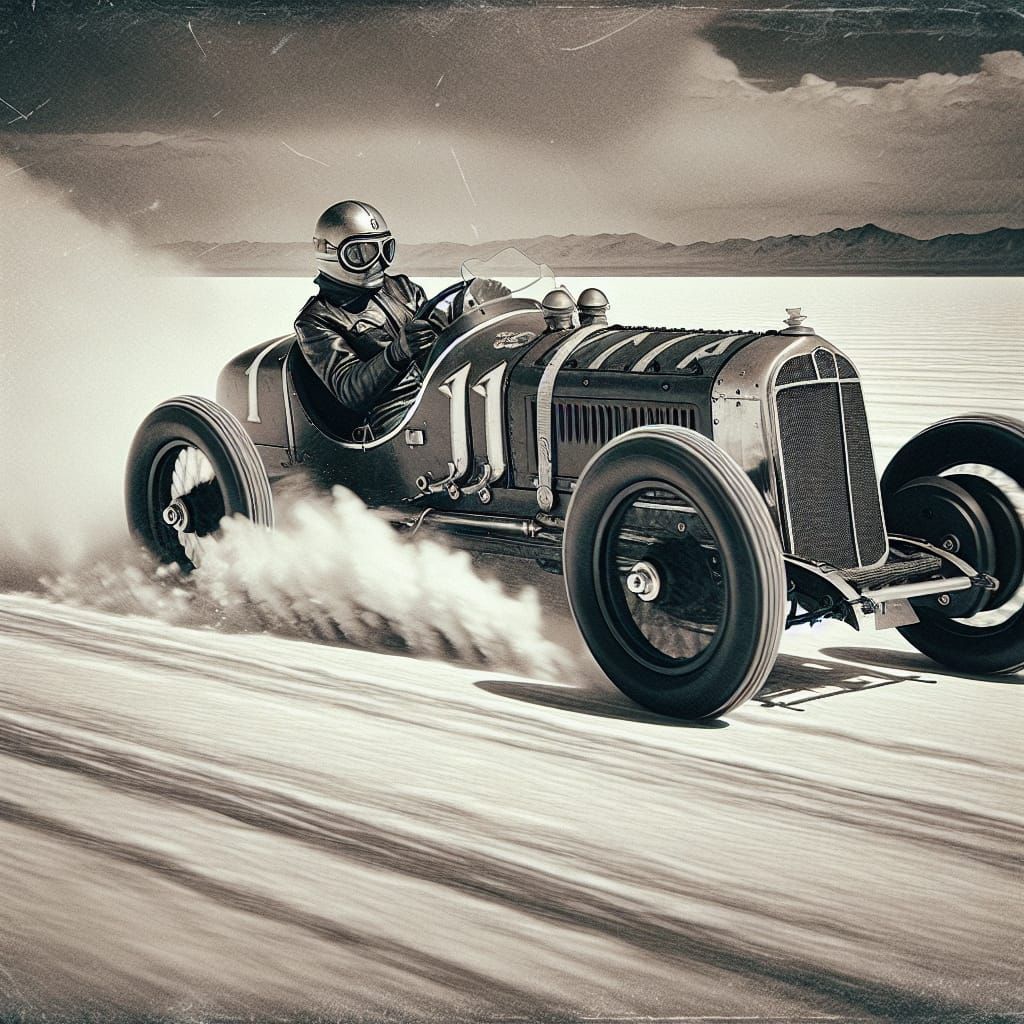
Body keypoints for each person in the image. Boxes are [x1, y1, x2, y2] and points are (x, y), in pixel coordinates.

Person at [294, 200, 438, 438]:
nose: (378, 262)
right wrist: (396, 353)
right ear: (331, 254)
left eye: (384, 250)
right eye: (361, 253)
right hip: (395, 417)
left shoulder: (404, 289)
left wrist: (470, 306)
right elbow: (350, 390)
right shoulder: (317, 319)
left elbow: (442, 336)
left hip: (438, 391)